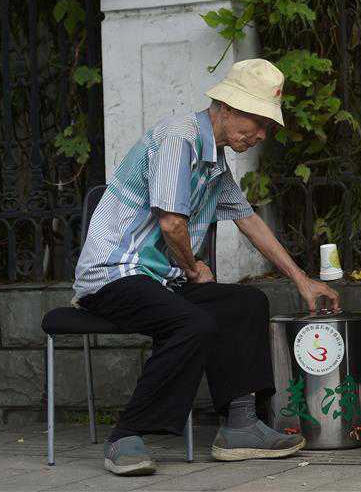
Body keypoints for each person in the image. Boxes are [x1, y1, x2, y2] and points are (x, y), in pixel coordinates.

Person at [73, 59, 341, 476]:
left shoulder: (215, 161)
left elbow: (249, 220)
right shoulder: (177, 138)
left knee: (246, 302)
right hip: (114, 274)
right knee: (192, 322)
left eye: (267, 125)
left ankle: (240, 425)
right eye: (257, 121)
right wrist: (195, 268)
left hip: (161, 280)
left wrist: (302, 280)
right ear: (226, 108)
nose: (261, 134)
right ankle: (125, 436)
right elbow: (171, 221)